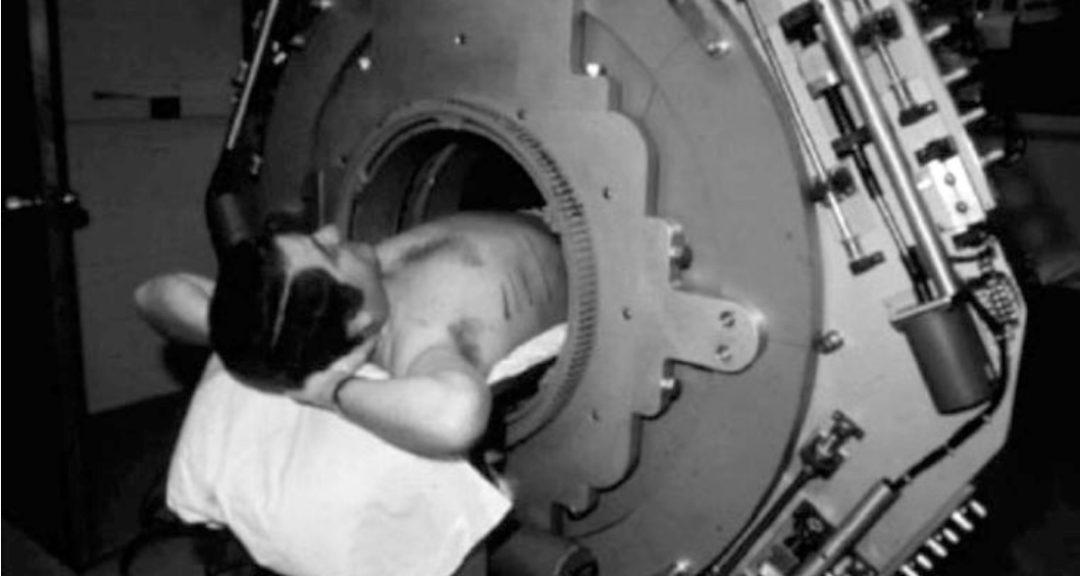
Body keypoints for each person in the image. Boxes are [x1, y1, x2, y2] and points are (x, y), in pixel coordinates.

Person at [136, 211, 568, 457]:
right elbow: (457, 417)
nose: (330, 232)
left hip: (541, 208)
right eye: (328, 250)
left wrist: (244, 332)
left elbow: (151, 295)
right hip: (595, 260)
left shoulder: (298, 306)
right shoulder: (423, 345)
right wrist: (331, 391)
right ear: (357, 323)